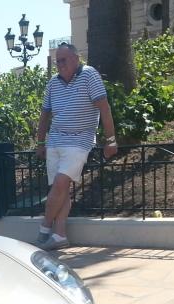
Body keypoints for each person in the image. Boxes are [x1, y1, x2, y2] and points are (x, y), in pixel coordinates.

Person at [35, 42, 119, 250]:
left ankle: (44, 229)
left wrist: (111, 138)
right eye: (57, 62)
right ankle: (60, 235)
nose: (60, 65)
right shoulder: (53, 83)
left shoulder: (89, 75)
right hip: (55, 140)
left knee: (60, 185)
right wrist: (40, 141)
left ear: (76, 59)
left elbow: (104, 107)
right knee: (60, 190)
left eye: (63, 60)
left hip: (78, 141)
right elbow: (45, 115)